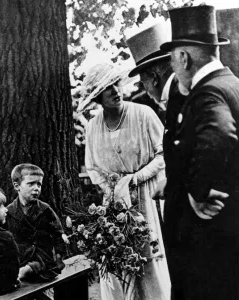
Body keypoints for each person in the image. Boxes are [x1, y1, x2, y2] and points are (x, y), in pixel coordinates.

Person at [158, 5, 239, 299]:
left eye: (172, 58)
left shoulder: (207, 92)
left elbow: (219, 134)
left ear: (184, 56)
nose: (173, 66)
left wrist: (198, 191)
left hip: (210, 238)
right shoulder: (232, 84)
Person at [78, 62, 170, 300]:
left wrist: (136, 178)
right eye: (107, 88)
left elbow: (164, 155)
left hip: (147, 197)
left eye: (116, 84)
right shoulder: (93, 127)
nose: (115, 91)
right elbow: (93, 167)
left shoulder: (143, 114)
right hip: (115, 203)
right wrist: (112, 187)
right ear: (98, 96)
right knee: (118, 258)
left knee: (149, 256)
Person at [7, 164, 66, 283]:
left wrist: (59, 257)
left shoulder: (45, 210)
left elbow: (58, 233)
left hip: (43, 260)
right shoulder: (9, 211)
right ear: (17, 186)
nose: (36, 188)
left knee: (27, 271)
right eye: (31, 184)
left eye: (39, 184)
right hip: (20, 259)